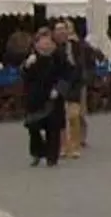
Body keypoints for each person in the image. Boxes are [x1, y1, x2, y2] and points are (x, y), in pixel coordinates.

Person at [18, 27, 73, 167]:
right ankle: (37, 152)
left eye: (48, 42)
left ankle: (52, 157)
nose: (45, 45)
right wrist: (26, 66)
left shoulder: (59, 56)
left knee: (53, 128)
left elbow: (67, 74)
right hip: (35, 97)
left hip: (53, 97)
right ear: (36, 43)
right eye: (42, 42)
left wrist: (58, 89)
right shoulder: (32, 57)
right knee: (33, 127)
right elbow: (24, 75)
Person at [61, 22, 95, 159]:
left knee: (79, 112)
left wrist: (87, 76)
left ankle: (81, 137)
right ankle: (67, 142)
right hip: (64, 82)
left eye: (67, 28)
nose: (66, 31)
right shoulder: (59, 45)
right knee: (65, 113)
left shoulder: (80, 44)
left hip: (79, 82)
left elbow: (90, 57)